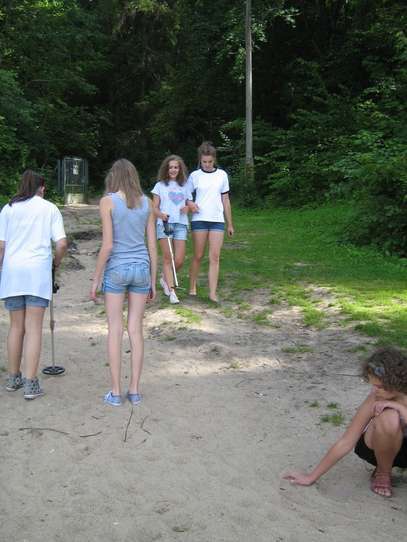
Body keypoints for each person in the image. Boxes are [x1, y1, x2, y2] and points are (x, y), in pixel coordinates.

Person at [284, 347, 407, 498]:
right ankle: (383, 473)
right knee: (389, 418)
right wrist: (311, 477)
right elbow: (347, 441)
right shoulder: (375, 398)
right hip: (376, 448)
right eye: (372, 385)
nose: (374, 390)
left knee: (395, 412)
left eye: (379, 386)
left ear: (396, 382)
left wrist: (400, 408)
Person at [90, 158, 157, 407]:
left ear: (113, 177)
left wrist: (96, 279)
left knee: (115, 329)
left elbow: (107, 245)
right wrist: (153, 280)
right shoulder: (147, 203)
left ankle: (116, 392)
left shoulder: (107, 201)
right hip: (141, 269)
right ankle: (135, 391)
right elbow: (152, 245)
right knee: (136, 330)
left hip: (117, 269)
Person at [0, 170, 67, 400]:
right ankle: (30, 383)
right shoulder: (49, 208)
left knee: (16, 327)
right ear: (42, 188)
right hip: (37, 274)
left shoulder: (8, 208)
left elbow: (1, 246)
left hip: (12, 273)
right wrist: (55, 264)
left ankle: (13, 378)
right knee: (34, 329)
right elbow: (61, 244)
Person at [187, 141, 234, 303]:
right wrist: (190, 203)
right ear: (200, 160)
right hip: (199, 220)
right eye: (204, 162)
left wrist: (230, 223)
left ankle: (212, 293)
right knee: (198, 255)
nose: (207, 164)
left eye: (210, 161)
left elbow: (226, 200)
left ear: (214, 160)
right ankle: (192, 286)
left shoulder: (222, 175)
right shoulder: (194, 176)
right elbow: (186, 195)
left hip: (217, 220)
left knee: (215, 257)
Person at [151, 154, 191, 304]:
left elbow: (189, 204)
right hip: (165, 224)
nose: (173, 170)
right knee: (168, 258)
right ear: (166, 169)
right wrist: (161, 215)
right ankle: (172, 291)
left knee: (179, 259)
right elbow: (154, 208)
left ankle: (164, 278)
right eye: (170, 167)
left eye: (176, 167)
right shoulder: (160, 186)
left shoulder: (185, 185)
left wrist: (188, 208)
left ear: (180, 169)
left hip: (181, 223)